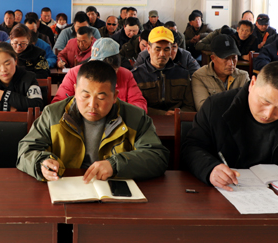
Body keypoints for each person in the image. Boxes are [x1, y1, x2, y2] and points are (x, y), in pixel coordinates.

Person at [182, 62, 278, 194]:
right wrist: (211, 168)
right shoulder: (216, 106)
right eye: (265, 102)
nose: (269, 114)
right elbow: (192, 147)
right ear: (252, 84)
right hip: (231, 192)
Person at [17, 60, 169, 182]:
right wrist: (41, 163)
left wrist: (115, 165)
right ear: (75, 90)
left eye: (101, 97)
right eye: (85, 95)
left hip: (113, 189)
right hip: (66, 186)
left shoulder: (135, 117)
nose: (92, 105)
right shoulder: (53, 114)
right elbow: (26, 151)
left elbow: (157, 156)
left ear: (115, 96)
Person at [53, 38, 147, 111]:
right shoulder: (74, 73)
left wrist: (116, 113)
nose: (103, 75)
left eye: (112, 72)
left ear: (117, 67)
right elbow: (58, 105)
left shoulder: (125, 75)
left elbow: (139, 104)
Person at [132, 26, 196, 115]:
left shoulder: (183, 74)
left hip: (177, 120)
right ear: (149, 49)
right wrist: (162, 114)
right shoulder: (136, 76)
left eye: (166, 49)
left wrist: (178, 114)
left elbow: (190, 106)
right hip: (148, 120)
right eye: (157, 49)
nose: (162, 54)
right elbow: (134, 107)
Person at [191, 34, 250, 112]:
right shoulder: (199, 76)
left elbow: (250, 106)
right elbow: (204, 109)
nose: (231, 63)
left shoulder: (243, 76)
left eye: (234, 58)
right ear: (213, 58)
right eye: (226, 58)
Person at [133, 32, 201, 75]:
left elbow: (197, 74)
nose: (163, 53)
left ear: (178, 47)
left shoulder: (185, 56)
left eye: (168, 48)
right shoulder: (144, 55)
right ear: (149, 49)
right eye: (158, 49)